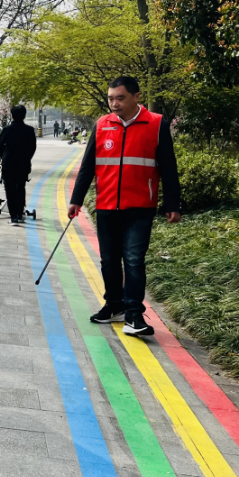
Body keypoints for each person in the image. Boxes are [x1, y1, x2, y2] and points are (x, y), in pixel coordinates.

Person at [68, 75, 181, 337]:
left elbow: (168, 167)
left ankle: (134, 314)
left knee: (133, 259)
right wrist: (76, 199)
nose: (114, 104)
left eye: (120, 98)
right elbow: (88, 166)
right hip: (106, 204)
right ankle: (114, 306)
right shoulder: (102, 124)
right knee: (109, 260)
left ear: (136, 97)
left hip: (140, 206)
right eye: (111, 99)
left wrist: (172, 203)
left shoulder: (155, 123)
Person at [0, 105, 37, 225]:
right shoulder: (29, 130)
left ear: (12, 116)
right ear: (24, 116)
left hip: (8, 164)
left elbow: (0, 147)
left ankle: (13, 217)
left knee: (9, 189)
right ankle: (20, 214)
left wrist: (3, 157)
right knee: (20, 188)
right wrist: (27, 158)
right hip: (23, 164)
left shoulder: (6, 130)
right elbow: (32, 148)